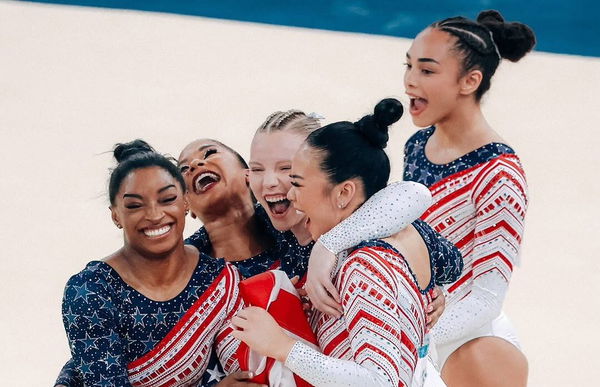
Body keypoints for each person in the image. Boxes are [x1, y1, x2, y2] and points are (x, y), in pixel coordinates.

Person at [232, 99, 442, 386]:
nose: (274, 184)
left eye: (293, 175)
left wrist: (282, 346)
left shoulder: (371, 247)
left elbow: (415, 194)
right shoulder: (270, 221)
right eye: (256, 169)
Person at [402, 10, 534, 386]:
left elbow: (486, 299)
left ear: (470, 81)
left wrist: (406, 336)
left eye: (427, 71)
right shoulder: (417, 146)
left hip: (473, 349)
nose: (410, 80)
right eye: (408, 66)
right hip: (420, 333)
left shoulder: (499, 173)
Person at [59, 140, 244, 386]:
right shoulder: (91, 291)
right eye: (135, 206)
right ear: (116, 215)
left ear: (185, 202)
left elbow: (247, 371)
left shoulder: (218, 279)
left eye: (167, 199)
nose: (155, 216)